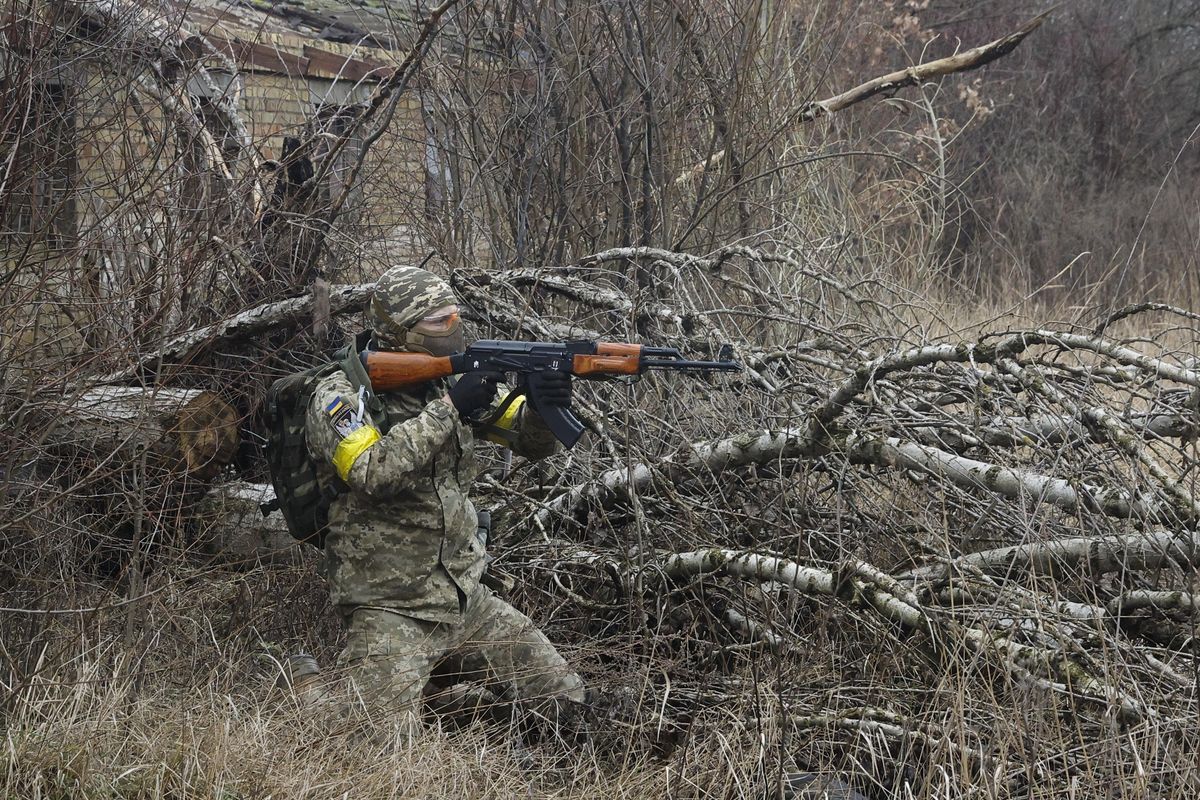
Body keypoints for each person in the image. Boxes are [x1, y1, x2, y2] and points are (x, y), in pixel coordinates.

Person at [299, 263, 585, 735]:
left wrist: (541, 405)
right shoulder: (339, 395)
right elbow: (371, 471)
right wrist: (450, 410)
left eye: (455, 317)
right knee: (377, 745)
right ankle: (311, 693)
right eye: (438, 322)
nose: (452, 329)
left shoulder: (450, 380)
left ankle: (443, 696)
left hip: (462, 595)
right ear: (398, 332)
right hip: (392, 605)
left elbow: (529, 442)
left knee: (566, 701)